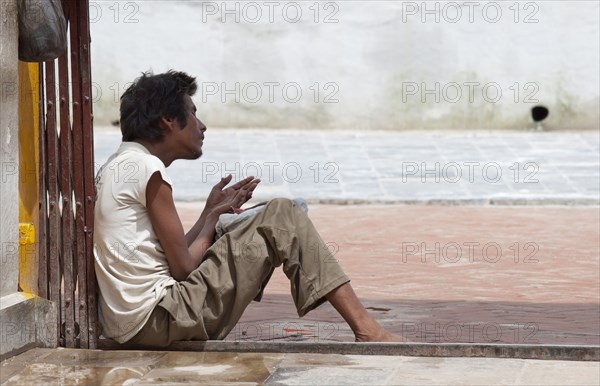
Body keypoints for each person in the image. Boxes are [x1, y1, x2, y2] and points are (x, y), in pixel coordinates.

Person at [93, 70, 401, 346]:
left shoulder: (122, 165)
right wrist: (213, 218)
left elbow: (169, 258)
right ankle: (367, 329)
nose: (202, 126)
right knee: (283, 215)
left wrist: (209, 213)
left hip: (141, 322)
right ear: (169, 120)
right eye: (193, 113)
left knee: (253, 222)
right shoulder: (147, 169)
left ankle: (362, 324)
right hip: (162, 320)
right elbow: (184, 268)